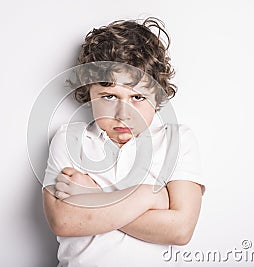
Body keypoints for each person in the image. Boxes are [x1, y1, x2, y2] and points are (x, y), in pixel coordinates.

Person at [42, 17, 205, 267]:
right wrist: (148, 198)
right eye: (109, 96)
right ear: (89, 92)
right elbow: (63, 221)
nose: (123, 113)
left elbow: (180, 230)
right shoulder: (70, 139)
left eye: (138, 97)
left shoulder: (177, 140)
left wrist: (93, 196)